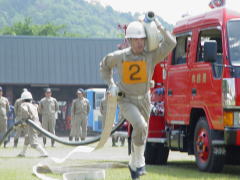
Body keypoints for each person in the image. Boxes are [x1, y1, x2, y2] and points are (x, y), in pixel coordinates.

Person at [100, 15, 176, 179]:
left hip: (145, 99)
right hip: (126, 99)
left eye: (142, 38)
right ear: (128, 40)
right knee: (140, 125)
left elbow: (171, 43)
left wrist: (159, 26)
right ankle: (140, 161)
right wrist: (111, 84)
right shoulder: (119, 56)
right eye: (135, 39)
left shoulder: (150, 55)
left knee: (142, 132)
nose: (139, 42)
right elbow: (104, 66)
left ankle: (134, 165)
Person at [18, 90, 48, 157]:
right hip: (37, 124)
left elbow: (25, 111)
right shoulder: (33, 105)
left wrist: (25, 119)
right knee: (27, 138)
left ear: (22, 99)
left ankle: (44, 153)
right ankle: (23, 153)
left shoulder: (24, 104)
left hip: (32, 125)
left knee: (33, 143)